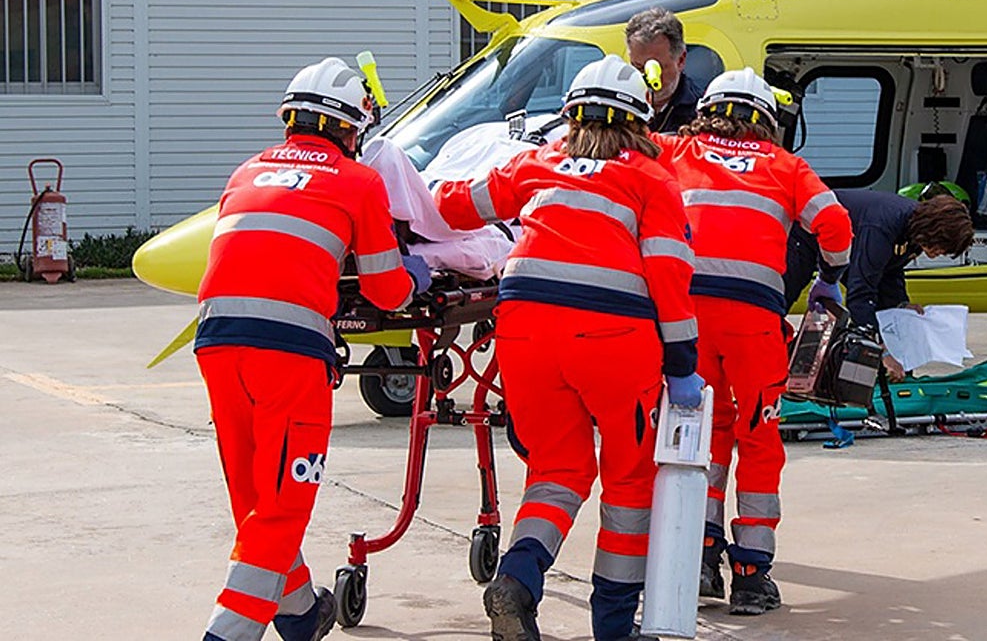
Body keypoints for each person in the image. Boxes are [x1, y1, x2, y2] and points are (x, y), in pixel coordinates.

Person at [435, 55, 700, 641]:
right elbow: (669, 276)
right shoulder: (651, 179)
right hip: (613, 341)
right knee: (628, 482)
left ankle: (519, 580)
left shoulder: (539, 161)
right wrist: (682, 362)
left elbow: (453, 205)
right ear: (640, 120)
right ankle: (612, 626)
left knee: (556, 470)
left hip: (524, 333)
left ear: (571, 115)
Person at [194, 57, 431, 641]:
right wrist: (415, 276)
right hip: (291, 353)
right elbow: (384, 288)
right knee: (283, 503)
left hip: (217, 341)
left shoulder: (246, 171)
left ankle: (299, 612)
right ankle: (227, 632)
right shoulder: (357, 180)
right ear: (351, 130)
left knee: (255, 493)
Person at [655, 68, 852, 616]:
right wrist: (830, 278)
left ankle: (699, 556)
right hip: (753, 322)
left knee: (703, 432)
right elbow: (834, 223)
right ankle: (751, 574)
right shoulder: (786, 166)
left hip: (685, 317)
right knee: (758, 436)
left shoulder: (673, 148)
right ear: (766, 120)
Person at [784, 189, 975, 381]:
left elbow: (891, 270)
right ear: (934, 230)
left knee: (886, 312)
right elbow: (861, 291)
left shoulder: (915, 231)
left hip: (847, 241)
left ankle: (892, 373)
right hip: (804, 234)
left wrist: (901, 305)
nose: (938, 254)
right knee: (782, 299)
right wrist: (880, 352)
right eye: (940, 247)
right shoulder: (882, 227)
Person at [625, 7, 704, 134]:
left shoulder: (700, 112)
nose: (646, 79)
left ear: (680, 60)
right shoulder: (619, 107)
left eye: (656, 69)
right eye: (638, 67)